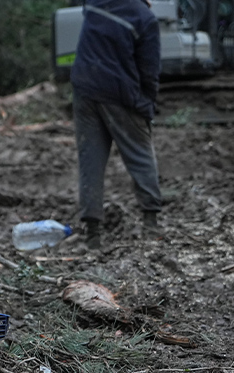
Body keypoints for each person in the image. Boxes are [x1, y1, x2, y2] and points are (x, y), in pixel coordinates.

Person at [70, 0, 162, 249]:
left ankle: (93, 234)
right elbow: (149, 70)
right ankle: (151, 223)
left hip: (85, 89)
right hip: (121, 95)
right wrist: (147, 105)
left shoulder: (96, 3)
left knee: (90, 160)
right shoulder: (145, 18)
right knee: (140, 154)